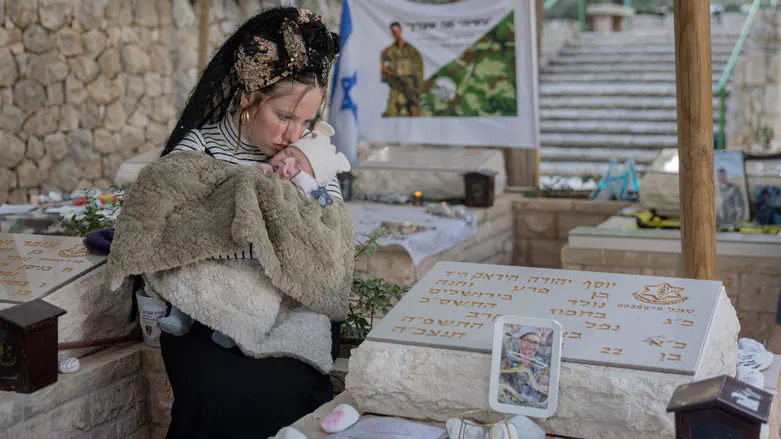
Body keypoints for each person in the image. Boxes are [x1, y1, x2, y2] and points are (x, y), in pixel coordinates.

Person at [147, 7, 344, 438]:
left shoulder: (311, 156)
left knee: (295, 389)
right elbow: (168, 233)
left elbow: (330, 235)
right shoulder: (197, 150)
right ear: (247, 101)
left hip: (293, 309)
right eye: (284, 117)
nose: (295, 134)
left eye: (306, 121)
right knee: (219, 395)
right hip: (207, 316)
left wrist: (303, 193)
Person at [158, 120, 352, 348]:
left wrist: (298, 178)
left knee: (250, 293)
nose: (287, 161)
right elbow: (241, 179)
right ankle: (180, 315)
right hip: (230, 237)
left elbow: (321, 204)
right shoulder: (265, 169)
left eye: (298, 163)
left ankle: (233, 331)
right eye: (287, 153)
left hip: (260, 255)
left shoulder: (312, 190)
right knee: (195, 273)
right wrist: (258, 171)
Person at [380, 22, 424, 117]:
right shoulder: (388, 51)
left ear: (401, 31)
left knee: (415, 112)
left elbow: (420, 69)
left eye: (397, 31)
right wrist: (391, 75)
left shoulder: (412, 50)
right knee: (391, 113)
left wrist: (418, 88)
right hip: (395, 86)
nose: (396, 34)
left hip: (410, 86)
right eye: (393, 32)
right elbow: (381, 67)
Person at [500, 327, 550, 407]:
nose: (531, 346)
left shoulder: (543, 364)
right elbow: (500, 381)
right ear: (520, 341)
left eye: (535, 342)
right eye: (527, 341)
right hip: (511, 405)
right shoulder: (510, 361)